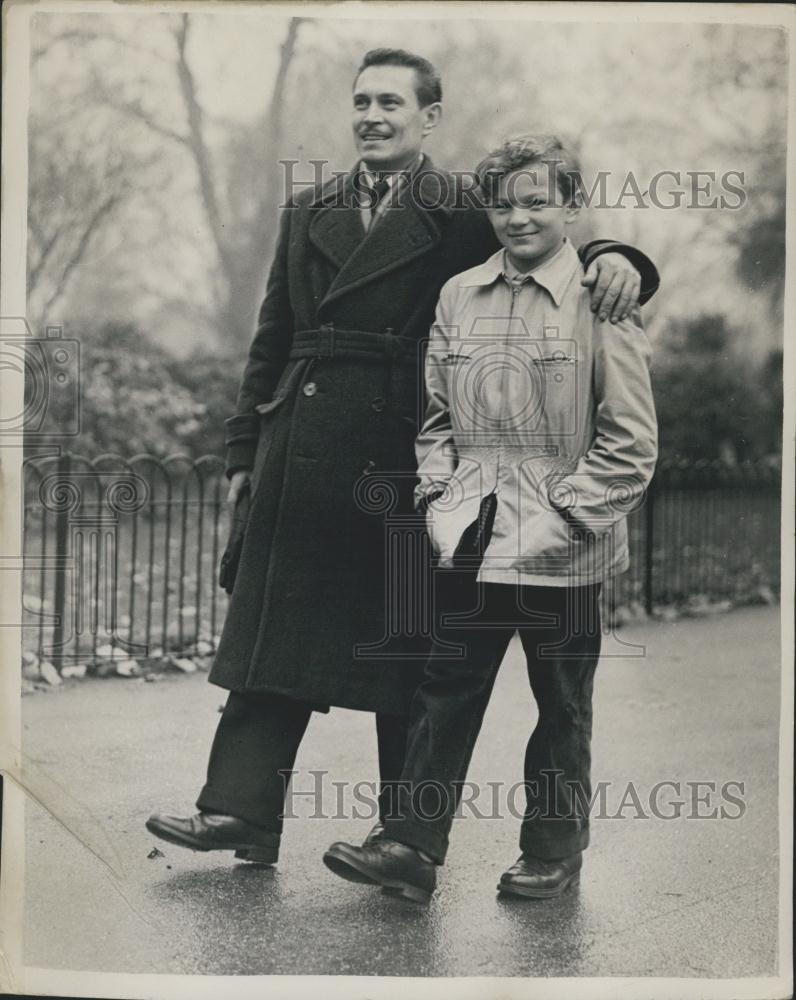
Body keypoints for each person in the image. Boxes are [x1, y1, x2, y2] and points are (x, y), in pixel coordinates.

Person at [146, 52, 659, 867]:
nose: (373, 116)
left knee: (411, 646)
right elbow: (271, 337)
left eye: (392, 102)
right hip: (306, 442)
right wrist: (246, 444)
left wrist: (621, 257)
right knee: (274, 630)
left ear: (429, 118)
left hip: (409, 450)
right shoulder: (307, 209)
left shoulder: (461, 206)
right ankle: (240, 811)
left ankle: (404, 838)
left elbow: (539, 232)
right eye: (361, 102)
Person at [322, 133, 658, 903]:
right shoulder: (458, 295)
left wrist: (567, 518)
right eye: (503, 203)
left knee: (561, 705)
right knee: (445, 692)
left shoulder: (604, 302)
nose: (517, 217)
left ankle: (552, 850)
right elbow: (436, 421)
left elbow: (631, 443)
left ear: (571, 207)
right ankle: (409, 847)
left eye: (537, 201)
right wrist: (441, 499)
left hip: (566, 546)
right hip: (471, 538)